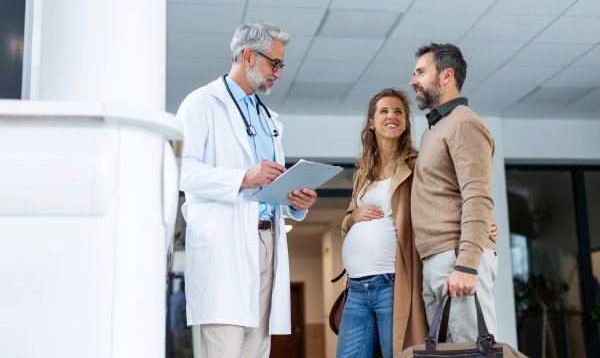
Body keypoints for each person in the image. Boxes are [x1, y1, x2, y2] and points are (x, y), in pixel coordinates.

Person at [176, 22, 317, 358]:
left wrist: (296, 201)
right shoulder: (201, 104)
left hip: (268, 239)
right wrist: (242, 177)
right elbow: (178, 171)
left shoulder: (266, 118)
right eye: (275, 64)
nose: (279, 74)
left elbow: (268, 185)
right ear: (249, 55)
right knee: (224, 349)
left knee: (256, 349)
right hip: (225, 242)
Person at [409, 42, 498, 343]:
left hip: (457, 258)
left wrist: (466, 265)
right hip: (437, 259)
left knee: (471, 350)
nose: (413, 81)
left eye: (421, 72)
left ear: (446, 76)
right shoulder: (435, 129)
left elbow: (478, 197)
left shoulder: (463, 124)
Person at [337, 88, 426, 358]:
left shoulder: (418, 165)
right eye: (384, 111)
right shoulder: (363, 174)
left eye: (399, 111)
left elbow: (442, 203)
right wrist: (353, 217)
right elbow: (347, 221)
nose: (392, 116)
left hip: (392, 283)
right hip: (356, 288)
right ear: (371, 122)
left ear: (406, 123)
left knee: (399, 355)